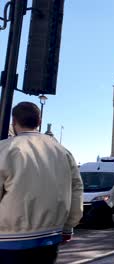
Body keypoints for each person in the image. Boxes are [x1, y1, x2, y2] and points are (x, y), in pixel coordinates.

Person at [0, 102, 83, 264]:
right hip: (50, 238)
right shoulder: (62, 151)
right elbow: (76, 189)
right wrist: (68, 226)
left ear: (14, 122)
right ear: (39, 122)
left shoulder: (5, 149)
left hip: (8, 239)